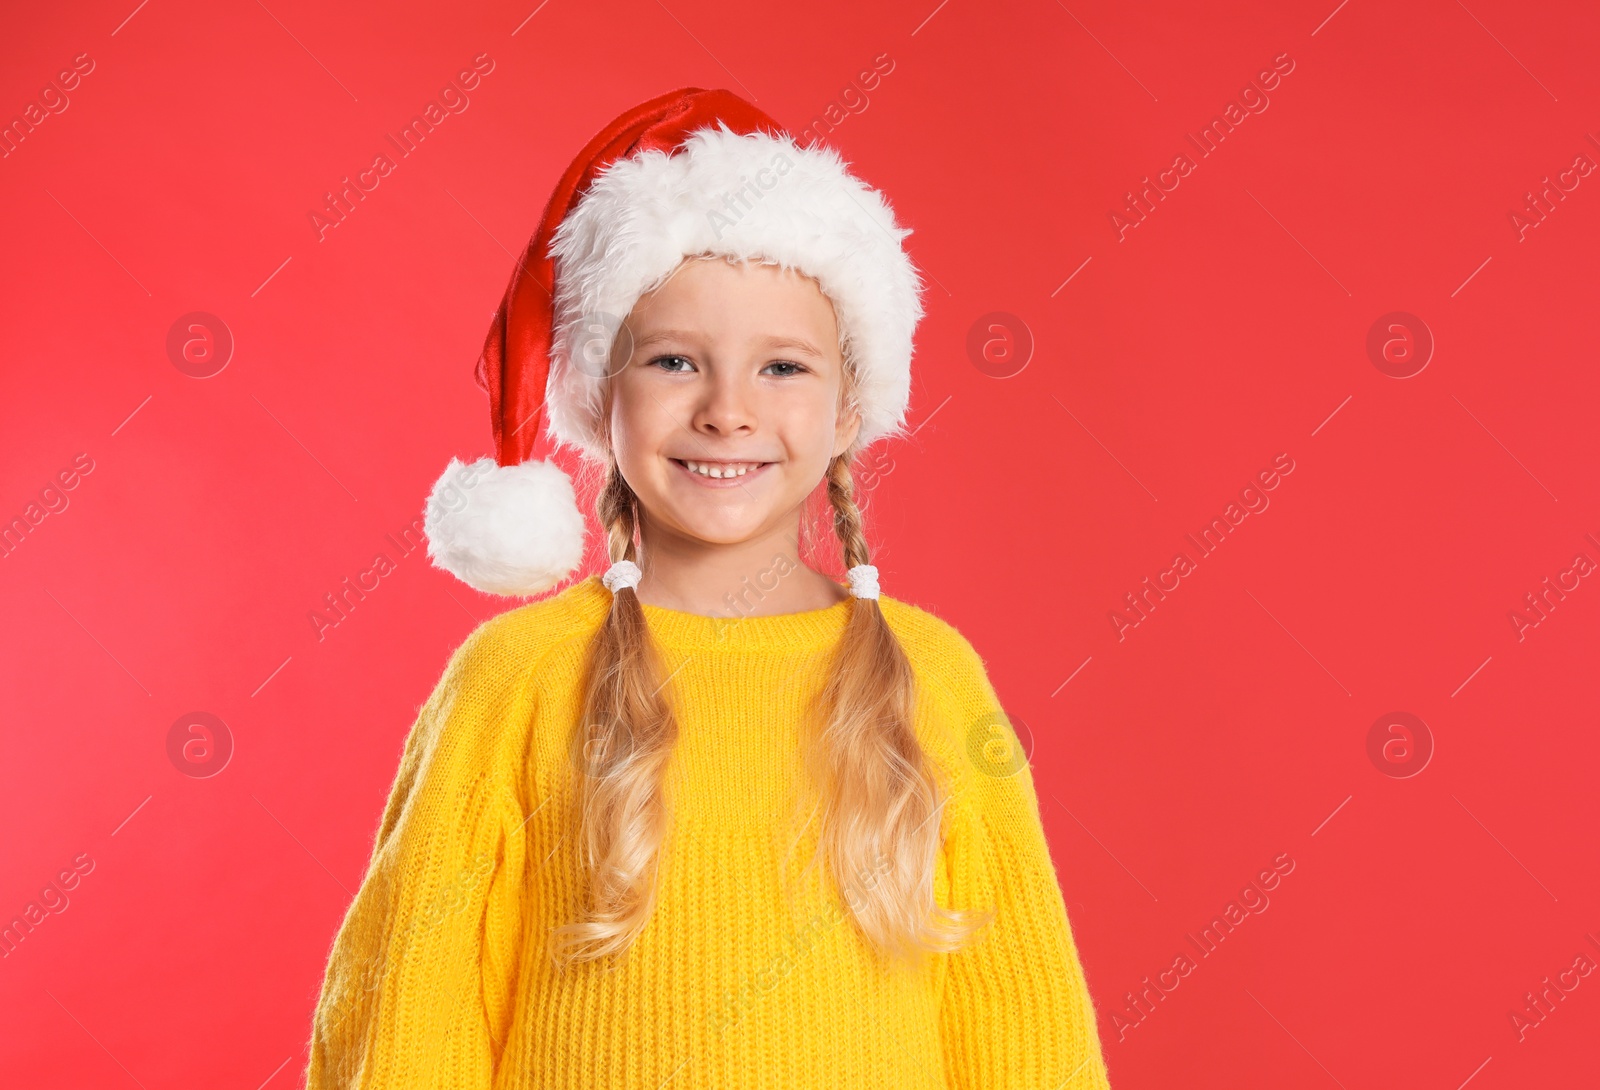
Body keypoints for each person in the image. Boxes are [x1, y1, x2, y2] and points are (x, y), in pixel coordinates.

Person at [301, 87, 1113, 1090]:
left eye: (781, 367)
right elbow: (409, 1012)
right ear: (603, 394)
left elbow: (1021, 1025)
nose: (728, 411)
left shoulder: (933, 678)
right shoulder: (514, 679)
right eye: (675, 360)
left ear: (849, 405)